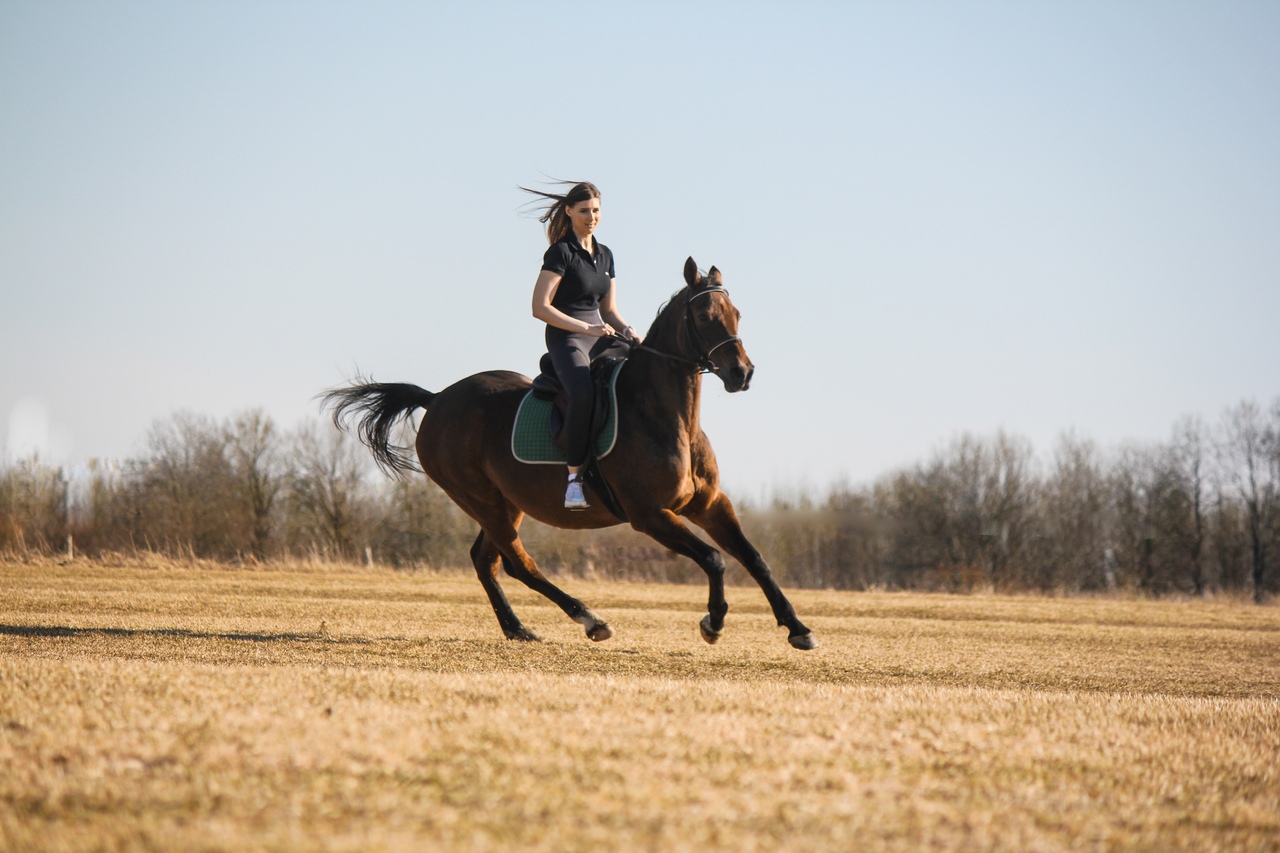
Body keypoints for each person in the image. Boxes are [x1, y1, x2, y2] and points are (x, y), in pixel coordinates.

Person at [523, 181, 642, 509]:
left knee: (645, 370)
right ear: (570, 212)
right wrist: (585, 327)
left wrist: (631, 332)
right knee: (583, 392)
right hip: (568, 337)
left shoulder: (605, 254)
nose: (592, 217)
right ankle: (574, 479)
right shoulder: (560, 253)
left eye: (596, 211)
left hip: (601, 335)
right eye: (585, 211)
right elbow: (539, 307)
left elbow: (609, 311)